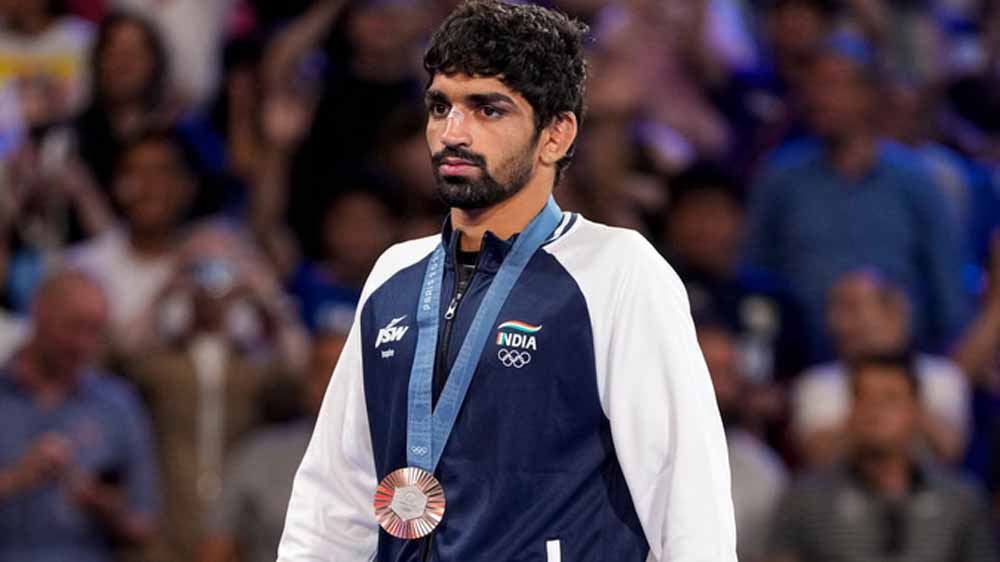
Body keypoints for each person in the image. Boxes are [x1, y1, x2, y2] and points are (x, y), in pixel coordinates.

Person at [278, 2, 736, 561]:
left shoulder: (617, 271)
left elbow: (686, 495)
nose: (452, 132)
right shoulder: (394, 276)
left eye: (487, 109)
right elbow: (335, 497)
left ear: (555, 135)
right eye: (441, 106)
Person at [746, 35, 968, 357]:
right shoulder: (781, 178)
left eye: (834, 85)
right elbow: (754, 273)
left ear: (869, 95)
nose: (820, 98)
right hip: (803, 363)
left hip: (901, 363)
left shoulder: (916, 182)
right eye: (813, 86)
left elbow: (948, 293)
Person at [766, 352, 997, 562]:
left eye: (890, 398)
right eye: (863, 397)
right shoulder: (805, 500)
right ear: (850, 409)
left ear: (916, 411)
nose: (874, 411)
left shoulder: (961, 500)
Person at [0, 269, 158, 562]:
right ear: (39, 313)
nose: (82, 343)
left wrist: (102, 504)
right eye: (73, 327)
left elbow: (142, 525)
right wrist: (14, 479)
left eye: (95, 331)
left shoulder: (118, 405)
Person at [791, 270, 970, 468]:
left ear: (895, 311)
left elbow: (950, 452)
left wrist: (907, 404)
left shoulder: (944, 377)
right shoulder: (816, 383)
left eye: (851, 308)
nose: (838, 323)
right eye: (833, 310)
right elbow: (818, 459)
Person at [199, 329, 348, 562]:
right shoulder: (257, 455)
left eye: (346, 372)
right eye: (324, 370)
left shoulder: (401, 459)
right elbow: (215, 547)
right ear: (307, 382)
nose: (334, 384)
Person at [69, 128, 196, 356]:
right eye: (135, 174)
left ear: (186, 186)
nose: (149, 187)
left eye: (161, 173)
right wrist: (165, 293)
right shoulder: (83, 268)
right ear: (117, 187)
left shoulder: (212, 259)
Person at [697, 318, 786, 562]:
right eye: (708, 371)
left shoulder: (761, 470)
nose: (719, 389)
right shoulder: (636, 451)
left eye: (727, 374)